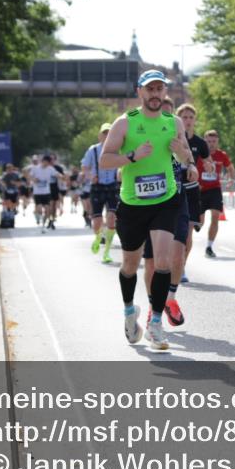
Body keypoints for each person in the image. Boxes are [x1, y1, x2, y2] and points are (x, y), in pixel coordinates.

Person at [100, 70, 194, 351]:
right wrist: (131, 156)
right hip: (132, 204)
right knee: (130, 264)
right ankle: (130, 313)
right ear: (139, 92)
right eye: (149, 89)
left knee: (162, 261)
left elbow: (187, 158)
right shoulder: (124, 123)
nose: (155, 94)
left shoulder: (174, 122)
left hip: (165, 201)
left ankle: (155, 323)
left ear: (165, 93)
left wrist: (183, 156)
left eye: (159, 89)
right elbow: (105, 160)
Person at [142, 97, 194, 328]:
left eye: (169, 114)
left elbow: (189, 159)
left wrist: (188, 162)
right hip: (149, 204)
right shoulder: (141, 131)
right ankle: (154, 306)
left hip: (177, 199)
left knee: (177, 255)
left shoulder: (177, 130)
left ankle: (170, 299)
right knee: (152, 263)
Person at [176, 103, 210, 282]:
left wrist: (209, 166)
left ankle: (181, 268)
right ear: (178, 119)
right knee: (174, 233)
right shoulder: (172, 139)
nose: (188, 121)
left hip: (191, 190)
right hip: (172, 189)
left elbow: (207, 161)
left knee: (188, 231)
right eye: (184, 117)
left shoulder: (200, 143)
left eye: (191, 117)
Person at [83, 124, 121, 263]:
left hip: (112, 187)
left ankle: (107, 252)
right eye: (104, 133)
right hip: (97, 187)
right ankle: (98, 237)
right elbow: (85, 166)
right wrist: (89, 176)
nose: (107, 136)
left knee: (112, 218)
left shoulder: (118, 149)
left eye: (109, 133)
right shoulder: (93, 150)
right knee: (97, 221)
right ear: (100, 135)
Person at [197, 129, 235, 258]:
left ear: (217, 141)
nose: (211, 144)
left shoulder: (221, 155)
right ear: (204, 141)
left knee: (215, 217)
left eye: (214, 141)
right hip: (200, 190)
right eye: (208, 141)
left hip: (215, 189)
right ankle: (196, 225)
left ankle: (209, 246)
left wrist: (231, 179)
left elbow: (230, 168)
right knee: (200, 222)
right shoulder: (199, 154)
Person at [30, 155, 57, 234]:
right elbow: (29, 176)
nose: (47, 164)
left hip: (46, 192)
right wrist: (34, 179)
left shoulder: (50, 169)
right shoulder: (35, 168)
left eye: (48, 163)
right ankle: (37, 216)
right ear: (43, 161)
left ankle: (43, 225)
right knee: (39, 209)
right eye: (45, 162)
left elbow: (56, 174)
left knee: (47, 210)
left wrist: (62, 177)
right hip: (37, 192)